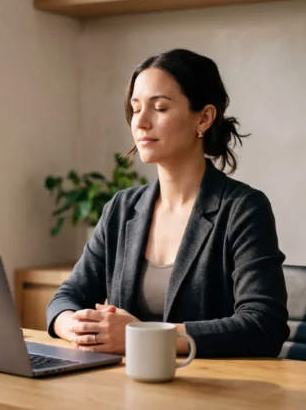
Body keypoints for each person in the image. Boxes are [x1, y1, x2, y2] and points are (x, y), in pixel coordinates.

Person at [45, 48, 289, 358]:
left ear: (203, 118)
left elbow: (263, 326)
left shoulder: (243, 208)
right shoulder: (121, 208)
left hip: (210, 392)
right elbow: (66, 297)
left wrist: (143, 336)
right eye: (135, 109)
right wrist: (73, 326)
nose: (141, 122)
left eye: (159, 107)